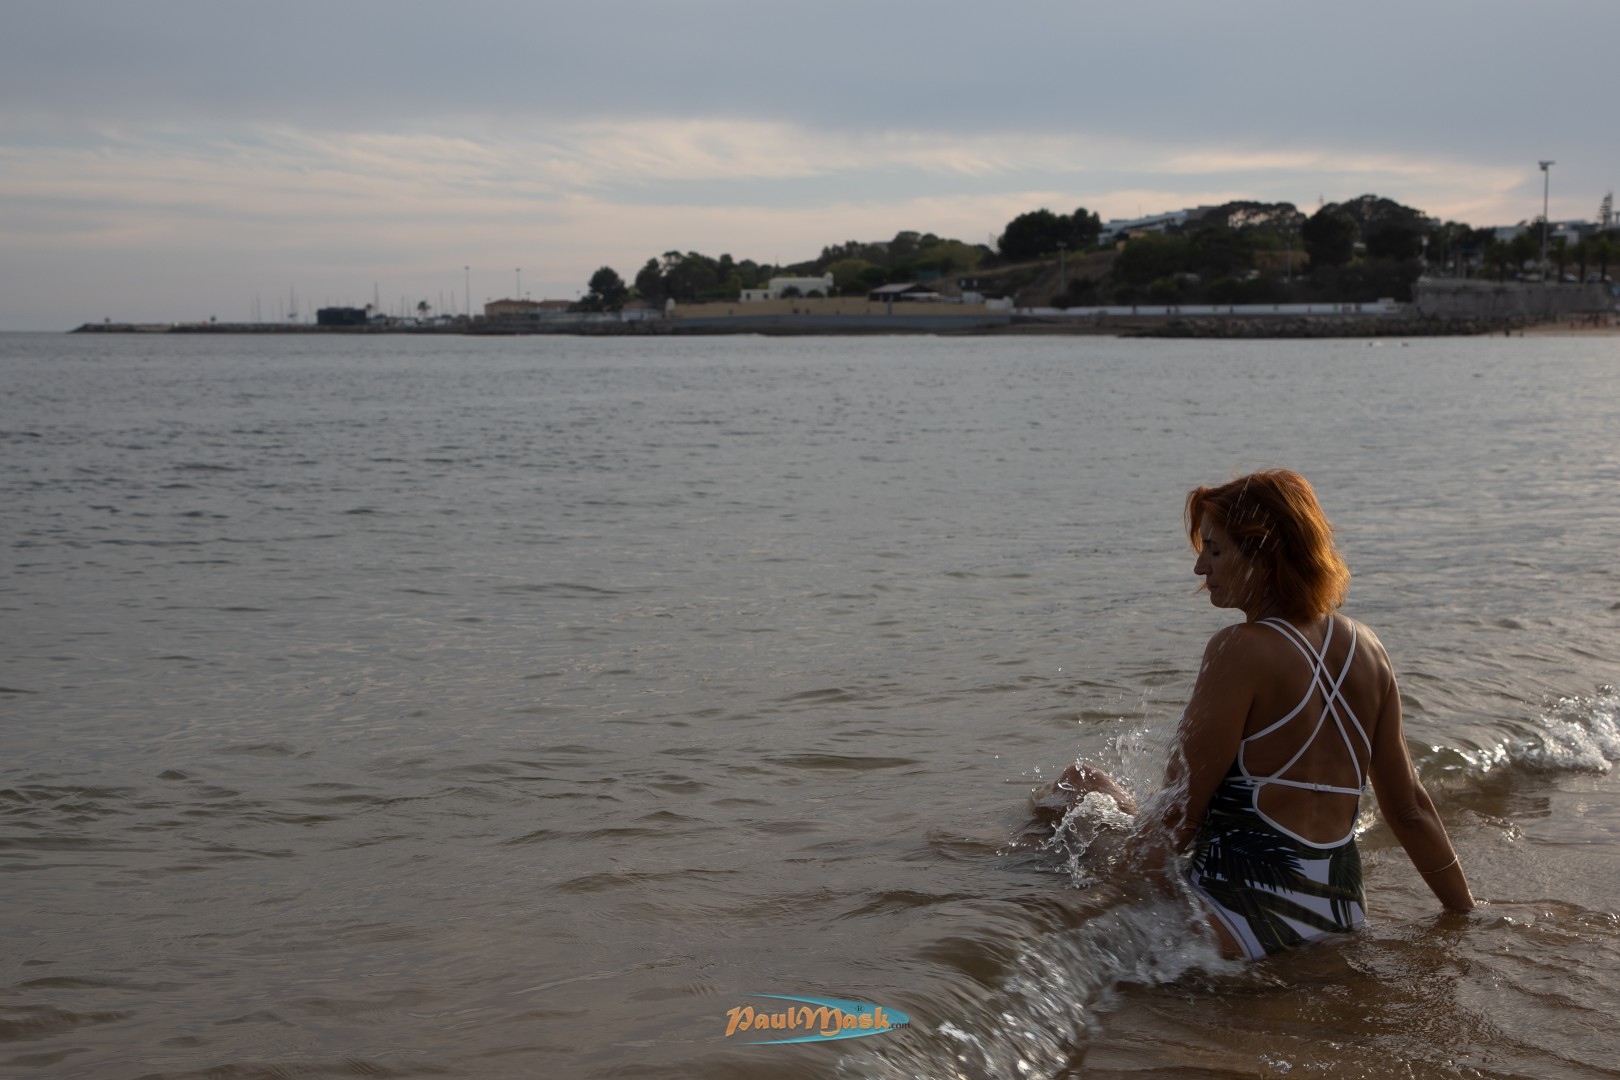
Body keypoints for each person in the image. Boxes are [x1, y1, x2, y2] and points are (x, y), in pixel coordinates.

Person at [1044, 469, 1475, 960]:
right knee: (1092, 788)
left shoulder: (1240, 649)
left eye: (1215, 551)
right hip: (1339, 914)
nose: (1200, 568)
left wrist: (1100, 910)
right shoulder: (1369, 648)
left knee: (1071, 790)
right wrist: (1465, 913)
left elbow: (1181, 812)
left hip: (1239, 921)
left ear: (1264, 555)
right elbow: (1410, 809)